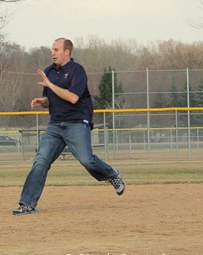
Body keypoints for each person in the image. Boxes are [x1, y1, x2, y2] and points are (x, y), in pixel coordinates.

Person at [13, 38, 126, 215]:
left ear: (67, 52)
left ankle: (112, 175)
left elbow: (73, 98)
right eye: (52, 49)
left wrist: (50, 85)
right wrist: (42, 101)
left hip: (76, 122)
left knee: (87, 160)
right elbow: (51, 100)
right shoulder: (49, 71)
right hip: (56, 124)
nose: (53, 53)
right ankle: (27, 204)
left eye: (56, 49)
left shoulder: (77, 71)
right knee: (40, 161)